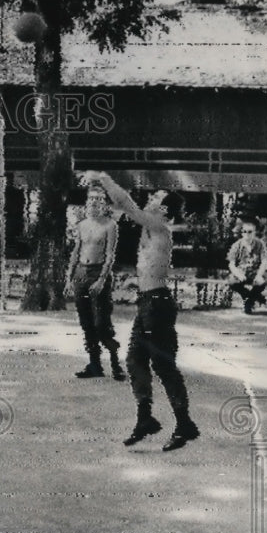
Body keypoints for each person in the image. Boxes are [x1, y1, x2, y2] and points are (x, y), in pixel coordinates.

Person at [81, 172, 199, 452]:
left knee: (163, 364)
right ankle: (146, 418)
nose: (150, 198)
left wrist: (102, 178)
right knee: (135, 360)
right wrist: (140, 279)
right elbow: (128, 212)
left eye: (156, 197)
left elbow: (126, 204)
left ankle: (184, 424)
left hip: (157, 305)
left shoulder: (159, 225)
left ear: (164, 209)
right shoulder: (152, 229)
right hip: (149, 301)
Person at [65, 185, 125, 381]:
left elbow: (110, 256)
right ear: (86, 203)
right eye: (91, 199)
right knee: (86, 324)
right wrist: (69, 277)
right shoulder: (81, 225)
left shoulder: (110, 226)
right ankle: (94, 365)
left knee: (101, 325)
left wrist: (101, 280)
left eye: (99, 200)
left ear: (104, 204)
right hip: (81, 274)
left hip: (99, 273)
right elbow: (76, 251)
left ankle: (116, 362)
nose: (94, 203)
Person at [226, 219, 267, 314]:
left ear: (254, 233)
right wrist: (238, 274)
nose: (247, 234)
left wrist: (259, 275)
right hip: (241, 272)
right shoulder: (237, 245)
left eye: (250, 232)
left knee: (261, 283)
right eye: (244, 231)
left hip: (254, 272)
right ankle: (253, 298)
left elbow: (264, 262)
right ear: (242, 233)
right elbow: (231, 264)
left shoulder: (260, 244)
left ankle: (248, 302)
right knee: (232, 282)